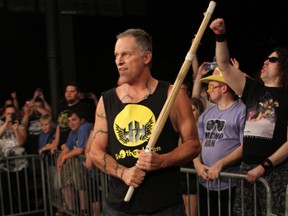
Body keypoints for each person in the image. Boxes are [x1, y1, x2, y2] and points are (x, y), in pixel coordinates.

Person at [89, 28, 201, 215]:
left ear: (146, 57)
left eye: (126, 54)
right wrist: (124, 173)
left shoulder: (172, 95)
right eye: (116, 55)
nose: (119, 61)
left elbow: (193, 145)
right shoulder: (107, 100)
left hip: (165, 207)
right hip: (118, 208)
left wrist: (163, 161)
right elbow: (95, 151)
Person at [210, 18, 288, 216]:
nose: (265, 62)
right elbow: (224, 66)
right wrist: (220, 36)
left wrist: (264, 166)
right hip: (247, 168)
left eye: (272, 60)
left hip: (274, 171)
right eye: (265, 59)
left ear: (284, 66)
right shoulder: (253, 89)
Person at [193, 66, 246, 216]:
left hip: (229, 184)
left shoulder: (241, 111)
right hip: (205, 183)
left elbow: (245, 146)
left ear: (224, 88)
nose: (208, 90)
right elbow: (197, 143)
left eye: (211, 86)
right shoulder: (206, 114)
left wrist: (220, 163)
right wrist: (197, 164)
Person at [57, 109, 93, 214]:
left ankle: (83, 211)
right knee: (65, 180)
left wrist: (64, 158)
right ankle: (71, 211)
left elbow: (80, 149)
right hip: (81, 167)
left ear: (82, 120)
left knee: (80, 183)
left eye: (74, 120)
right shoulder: (74, 131)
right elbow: (67, 147)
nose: (71, 123)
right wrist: (59, 159)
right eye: (69, 121)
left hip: (92, 168)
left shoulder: (84, 127)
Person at [0, 104, 28, 214]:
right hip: (4, 165)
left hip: (20, 165)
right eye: (8, 114)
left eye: (12, 114)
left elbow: (21, 142)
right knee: (6, 193)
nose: (10, 116)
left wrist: (16, 129)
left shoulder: (20, 126)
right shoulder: (1, 124)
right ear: (4, 114)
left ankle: (24, 212)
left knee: (21, 192)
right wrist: (6, 122)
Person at [181, 97, 204, 216]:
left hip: (194, 177)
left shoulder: (202, 128)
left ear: (200, 111)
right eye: (188, 110)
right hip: (181, 176)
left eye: (193, 110)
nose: (190, 113)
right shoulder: (180, 128)